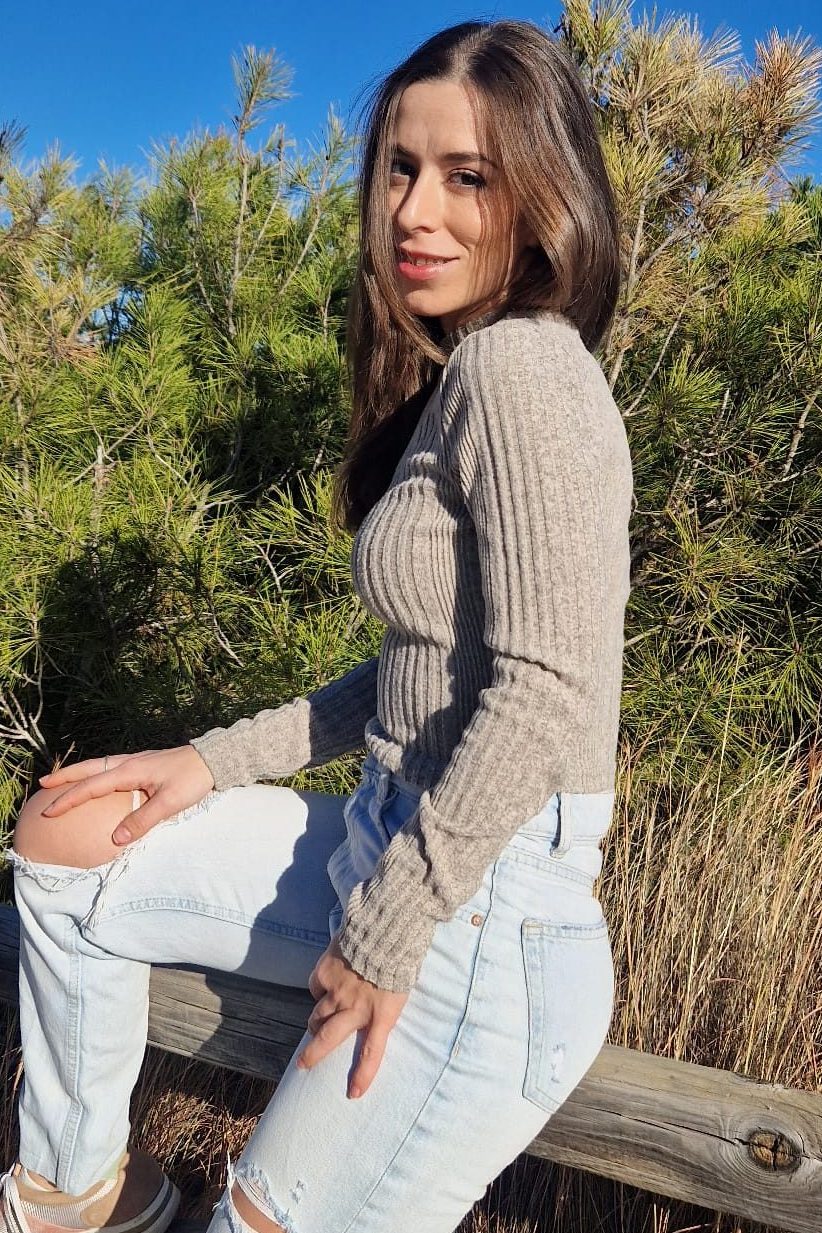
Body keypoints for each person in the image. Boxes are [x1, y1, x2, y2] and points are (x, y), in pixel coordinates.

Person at [1, 17, 633, 1233]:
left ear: (543, 198)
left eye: (467, 177)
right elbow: (418, 675)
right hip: (389, 835)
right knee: (70, 843)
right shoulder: (462, 378)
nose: (415, 212)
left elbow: (543, 694)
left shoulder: (523, 372)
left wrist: (387, 933)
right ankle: (79, 1198)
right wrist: (208, 761)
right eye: (400, 167)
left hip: (481, 912)